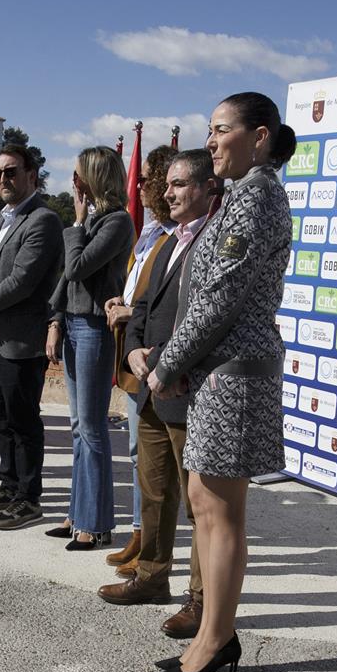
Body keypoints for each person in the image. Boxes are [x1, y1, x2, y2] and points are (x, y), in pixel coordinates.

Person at [145, 93, 295, 672]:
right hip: (217, 372)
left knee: (221, 511)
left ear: (259, 136)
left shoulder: (256, 196)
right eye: (209, 130)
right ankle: (213, 633)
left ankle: (216, 639)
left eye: (220, 130)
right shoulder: (240, 196)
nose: (210, 142)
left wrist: (165, 365)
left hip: (234, 375)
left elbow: (220, 298)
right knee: (206, 505)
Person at [100, 149, 217, 631]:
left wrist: (163, 364)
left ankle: (201, 600)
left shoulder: (213, 240)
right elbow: (143, 307)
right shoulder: (168, 243)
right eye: (165, 185)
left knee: (198, 506)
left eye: (178, 185)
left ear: (209, 188)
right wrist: (132, 352)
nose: (166, 193)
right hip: (149, 388)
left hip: (188, 390)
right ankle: (151, 575)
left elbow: (205, 320)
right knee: (153, 491)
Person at [0, 144, 63, 530]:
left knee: (23, 420)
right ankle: (7, 485)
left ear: (31, 175)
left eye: (11, 172)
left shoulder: (43, 220)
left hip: (20, 339)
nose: (4, 179)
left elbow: (23, 280)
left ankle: (28, 496)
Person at [46, 147, 134, 551]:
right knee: (78, 427)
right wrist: (56, 319)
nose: (74, 182)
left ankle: (96, 523)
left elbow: (77, 266)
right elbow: (67, 280)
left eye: (79, 175)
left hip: (97, 327)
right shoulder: (95, 220)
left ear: (96, 178)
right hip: (74, 324)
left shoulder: (116, 222)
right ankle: (77, 512)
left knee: (94, 427)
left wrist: (77, 224)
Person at [102, 145, 181, 570]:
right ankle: (140, 534)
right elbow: (143, 293)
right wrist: (124, 302)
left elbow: (165, 304)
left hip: (157, 360)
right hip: (134, 357)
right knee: (138, 454)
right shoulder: (150, 233)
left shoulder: (180, 238)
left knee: (154, 462)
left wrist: (130, 310)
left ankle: (148, 540)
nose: (141, 185)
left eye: (148, 178)